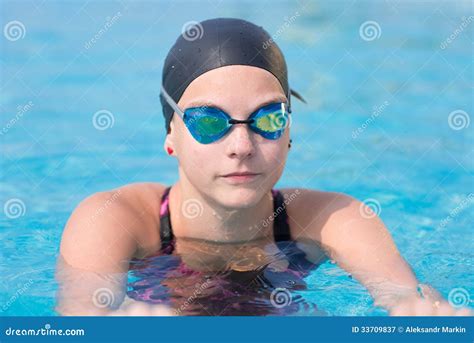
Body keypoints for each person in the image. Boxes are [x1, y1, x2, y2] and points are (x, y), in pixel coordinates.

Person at [56, 18, 471, 316]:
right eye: (208, 122)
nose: (241, 146)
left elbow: (402, 297)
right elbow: (83, 308)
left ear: (289, 132)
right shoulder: (113, 218)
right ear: (171, 137)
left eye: (267, 119)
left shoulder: (333, 219)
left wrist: (421, 314)